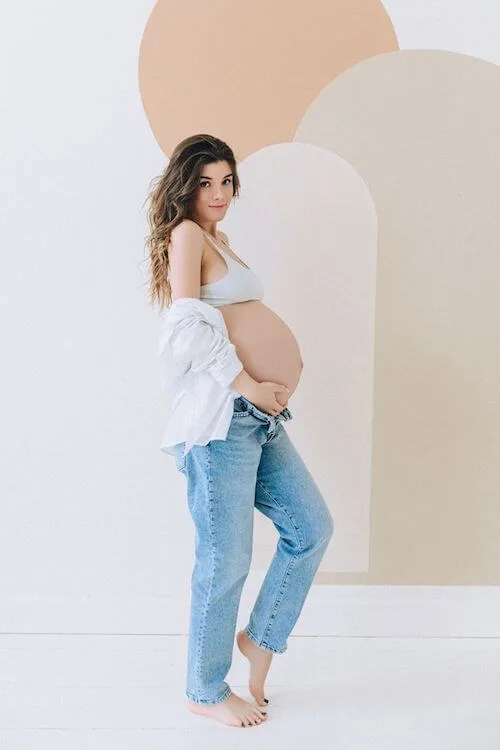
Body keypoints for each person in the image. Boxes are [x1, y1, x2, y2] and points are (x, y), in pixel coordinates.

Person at [144, 134, 334, 729]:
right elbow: (185, 331)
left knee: (310, 528)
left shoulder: (218, 239)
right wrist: (250, 385)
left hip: (261, 422)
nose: (219, 193)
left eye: (227, 181)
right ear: (185, 185)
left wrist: (264, 396)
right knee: (225, 559)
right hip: (225, 421)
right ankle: (203, 688)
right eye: (206, 182)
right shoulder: (186, 236)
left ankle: (259, 639)